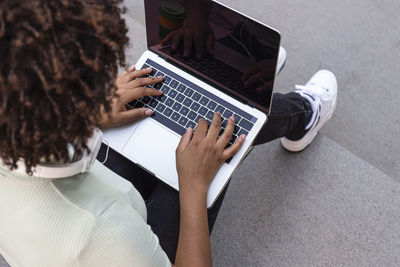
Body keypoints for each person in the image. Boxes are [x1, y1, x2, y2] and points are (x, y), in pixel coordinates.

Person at [0, 0, 337, 267]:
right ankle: (288, 108)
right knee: (215, 141)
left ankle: (234, 86)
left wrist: (88, 115)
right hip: (118, 244)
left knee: (156, 116)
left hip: (66, 185)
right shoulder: (100, 234)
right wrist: (193, 186)